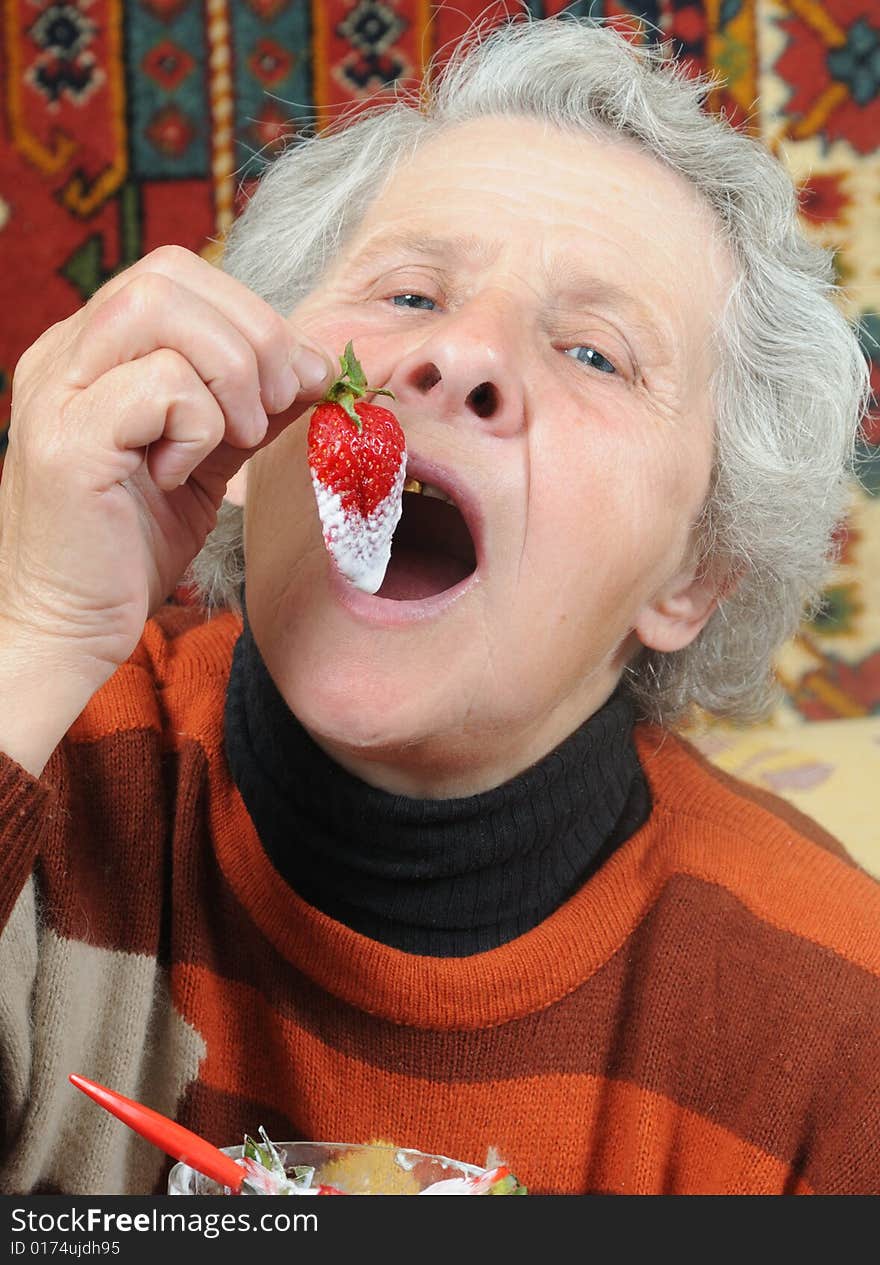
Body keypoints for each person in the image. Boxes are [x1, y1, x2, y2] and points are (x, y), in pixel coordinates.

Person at [0, 14, 877, 1197]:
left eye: (595, 353)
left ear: (693, 574)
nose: (459, 352)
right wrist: (37, 626)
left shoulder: (832, 1015)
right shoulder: (44, 748)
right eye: (408, 292)